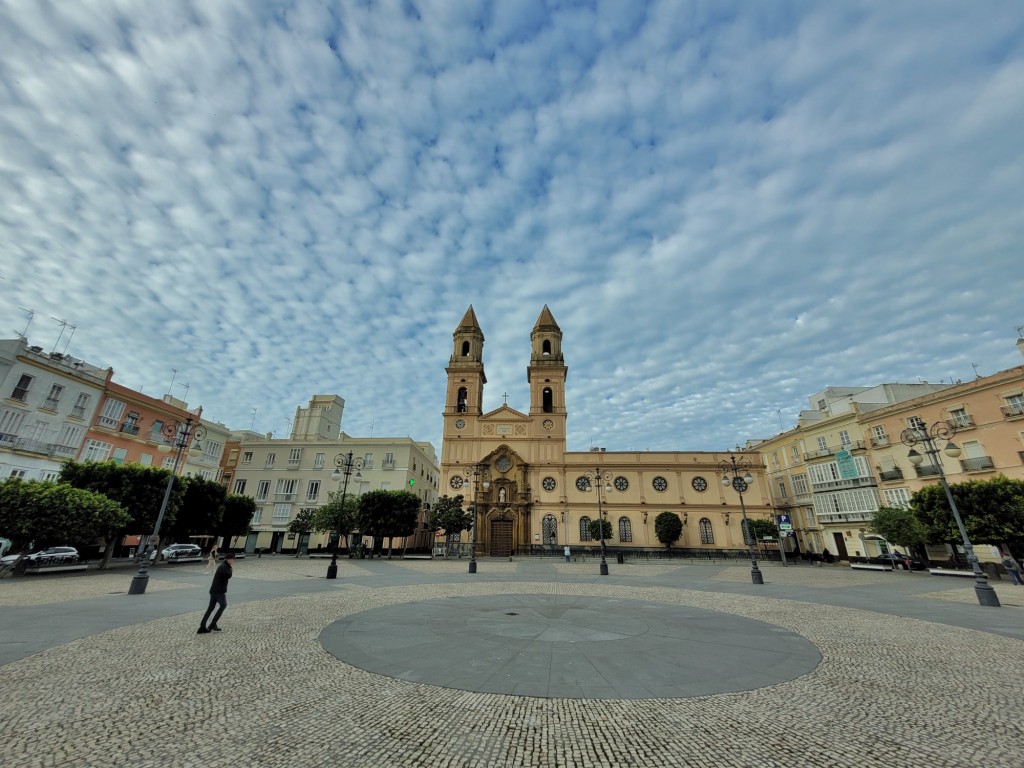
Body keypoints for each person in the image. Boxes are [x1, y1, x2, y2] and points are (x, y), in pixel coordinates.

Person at [197, 552, 234, 634]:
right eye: (231, 559)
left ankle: (202, 626)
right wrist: (231, 569)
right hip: (219, 591)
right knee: (223, 605)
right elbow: (229, 575)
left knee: (210, 608)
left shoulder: (223, 566)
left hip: (214, 590)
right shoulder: (224, 567)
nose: (232, 561)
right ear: (227, 559)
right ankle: (212, 624)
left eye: (232, 559)